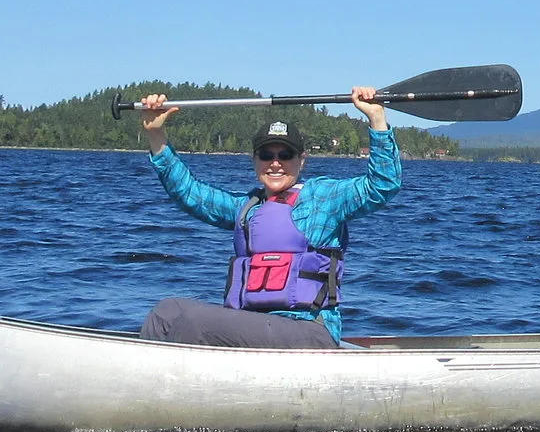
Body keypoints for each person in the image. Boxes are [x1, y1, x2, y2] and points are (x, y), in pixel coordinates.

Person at [130, 86, 402, 348]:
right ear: (254, 160)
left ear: (301, 160)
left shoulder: (324, 198)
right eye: (266, 155)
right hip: (254, 324)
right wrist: (156, 134)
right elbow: (189, 193)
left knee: (195, 322)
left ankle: (176, 375)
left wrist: (376, 118)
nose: (275, 163)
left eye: (285, 155)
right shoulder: (247, 207)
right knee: (166, 312)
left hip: (308, 329)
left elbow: (382, 184)